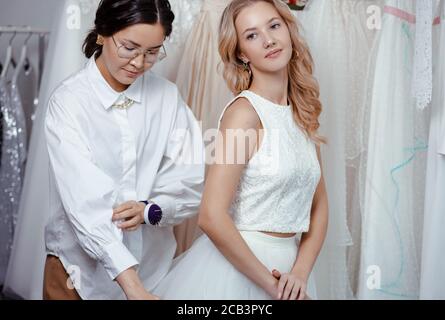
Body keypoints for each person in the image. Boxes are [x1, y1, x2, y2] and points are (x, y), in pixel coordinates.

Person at [154, 0, 328, 300]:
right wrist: (273, 287)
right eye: (251, 35)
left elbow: (320, 206)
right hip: (240, 273)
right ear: (241, 54)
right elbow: (210, 215)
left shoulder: (302, 112)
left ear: (288, 30)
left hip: (291, 272)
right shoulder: (245, 113)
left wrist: (300, 273)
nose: (268, 40)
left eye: (274, 26)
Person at [43, 0, 204, 300]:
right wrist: (133, 287)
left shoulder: (167, 97)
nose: (139, 63)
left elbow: (192, 179)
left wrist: (151, 210)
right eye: (129, 48)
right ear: (103, 33)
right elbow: (86, 203)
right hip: (78, 275)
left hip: (155, 271)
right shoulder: (69, 102)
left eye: (152, 52)